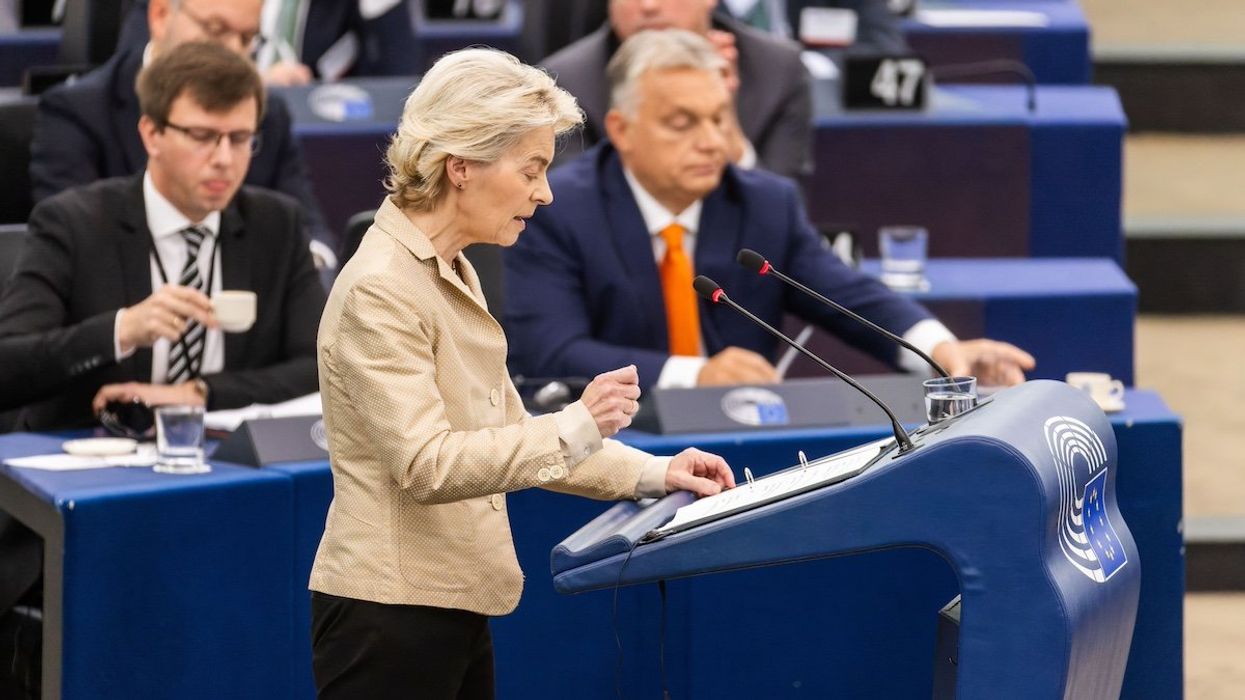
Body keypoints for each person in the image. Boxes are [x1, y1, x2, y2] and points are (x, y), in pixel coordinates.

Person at [308, 48, 735, 698]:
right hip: (387, 618)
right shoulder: (382, 289)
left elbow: (508, 432)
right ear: (461, 167)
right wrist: (578, 423)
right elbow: (426, 465)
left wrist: (654, 473)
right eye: (531, 169)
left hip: (446, 600)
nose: (545, 191)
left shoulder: (449, 266)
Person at [504, 29, 1034, 393]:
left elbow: (848, 298)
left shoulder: (762, 202)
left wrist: (940, 349)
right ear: (620, 130)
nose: (712, 141)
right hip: (612, 449)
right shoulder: (561, 207)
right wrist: (695, 376)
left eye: (718, 119)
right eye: (683, 123)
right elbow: (549, 353)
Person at [0, 40, 324, 429]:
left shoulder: (276, 224)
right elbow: (8, 364)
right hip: (92, 456)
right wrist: (121, 329)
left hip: (224, 461)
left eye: (240, 139)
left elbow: (318, 366)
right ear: (151, 134)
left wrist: (199, 393)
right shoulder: (74, 224)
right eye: (202, 136)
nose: (224, 159)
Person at [29, 0, 333, 254]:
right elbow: (73, 245)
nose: (232, 52)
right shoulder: (77, 112)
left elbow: (310, 233)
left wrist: (308, 274)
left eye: (246, 39)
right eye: (216, 30)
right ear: (160, 16)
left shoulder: (269, 115)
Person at [541, 0, 812, 178]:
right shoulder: (563, 82)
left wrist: (723, 123)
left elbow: (788, 217)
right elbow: (568, 210)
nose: (649, 6)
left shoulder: (778, 69)